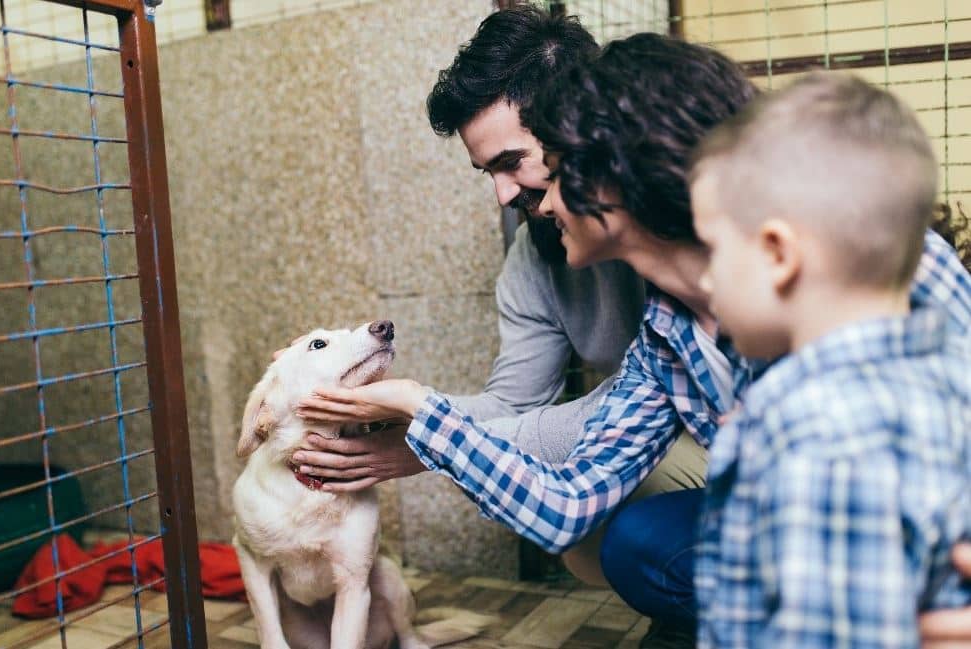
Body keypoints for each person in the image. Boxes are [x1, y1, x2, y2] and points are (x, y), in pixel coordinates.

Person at [295, 33, 971, 643]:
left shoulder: (862, 273)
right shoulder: (664, 333)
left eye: (549, 168)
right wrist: (421, 410)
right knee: (633, 541)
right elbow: (563, 504)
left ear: (609, 167)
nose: (533, 197)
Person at [288, 6, 707, 587]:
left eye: (519, 163)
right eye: (486, 172)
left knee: (638, 527)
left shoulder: (715, 254)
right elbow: (536, 437)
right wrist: (418, 423)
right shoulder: (641, 319)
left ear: (586, 131)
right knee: (594, 541)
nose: (503, 195)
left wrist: (426, 435)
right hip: (688, 443)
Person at [688, 71, 970, 648]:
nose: (705, 276)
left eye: (713, 249)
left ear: (778, 254)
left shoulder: (823, 433)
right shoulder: (951, 372)